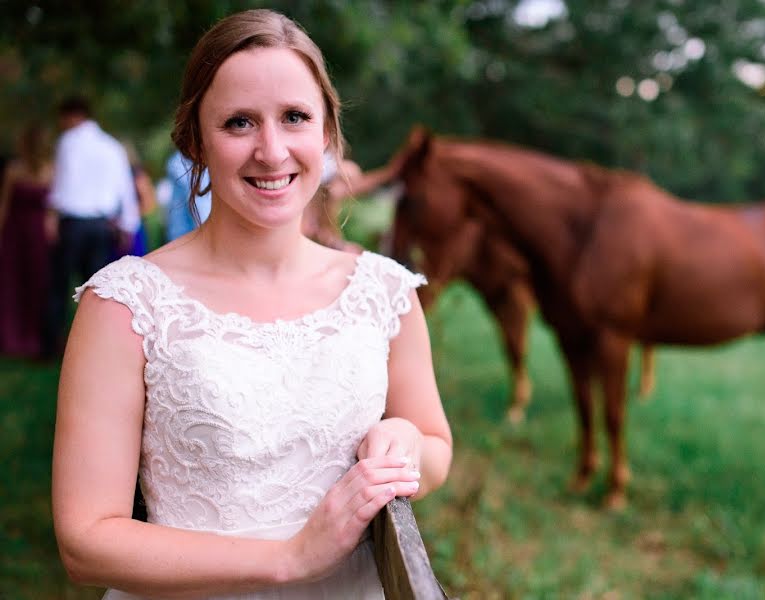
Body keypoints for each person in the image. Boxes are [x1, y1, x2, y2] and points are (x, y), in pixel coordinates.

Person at [52, 8, 452, 599]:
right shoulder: (125, 304)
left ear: (326, 133)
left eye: (294, 117)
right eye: (239, 122)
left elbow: (436, 449)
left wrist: (405, 442)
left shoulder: (384, 293)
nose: (271, 150)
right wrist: (290, 558)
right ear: (196, 140)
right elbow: (85, 540)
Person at [44, 96, 141, 357]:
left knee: (59, 286)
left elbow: (61, 184)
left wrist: (51, 216)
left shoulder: (68, 142)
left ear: (72, 116)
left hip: (73, 223)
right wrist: (128, 225)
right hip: (102, 226)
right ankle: (94, 344)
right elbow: (125, 189)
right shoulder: (112, 147)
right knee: (96, 289)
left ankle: (52, 345)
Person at [0, 123, 53, 358]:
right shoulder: (48, 170)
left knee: (21, 282)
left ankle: (19, 337)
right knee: (30, 281)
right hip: (32, 231)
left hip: (21, 230)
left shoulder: (18, 169)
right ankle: (26, 337)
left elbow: (4, 206)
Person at [162, 149, 212, 241]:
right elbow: (199, 206)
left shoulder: (176, 161)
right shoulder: (182, 163)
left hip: (180, 235)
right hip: (190, 237)